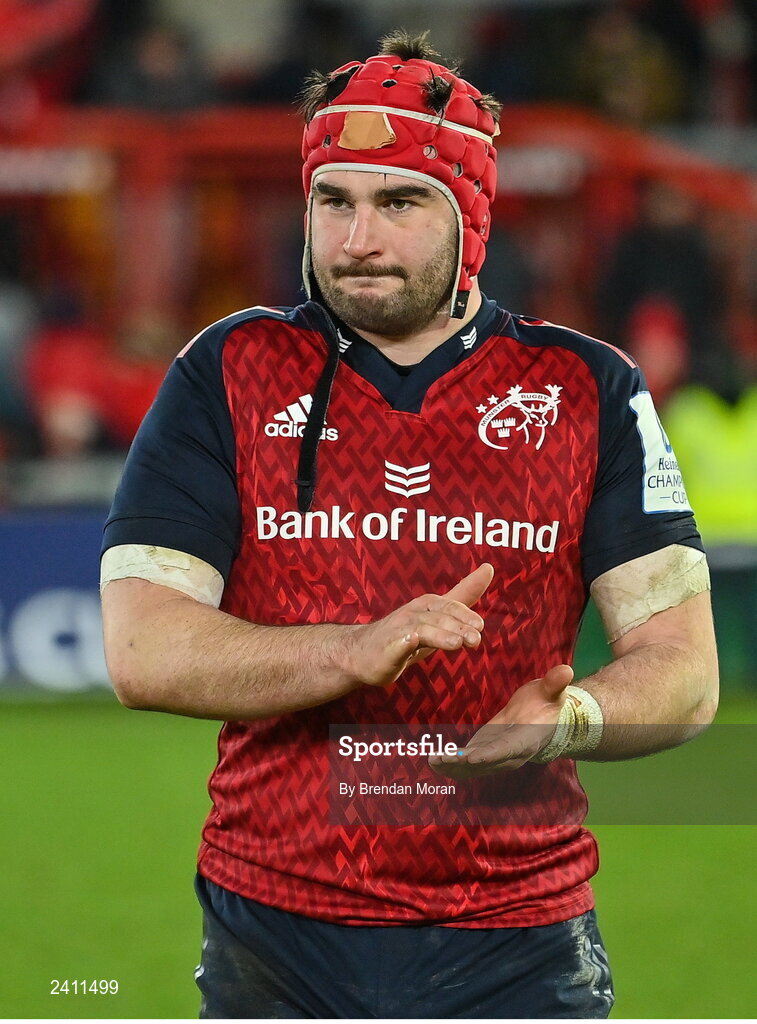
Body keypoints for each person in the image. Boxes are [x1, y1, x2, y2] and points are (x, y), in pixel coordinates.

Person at [100, 30, 718, 1019]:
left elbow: (684, 669)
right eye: (331, 201)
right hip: (274, 935)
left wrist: (574, 718)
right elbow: (143, 651)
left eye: (398, 201)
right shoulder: (225, 373)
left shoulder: (585, 387)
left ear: (471, 216)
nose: (356, 239)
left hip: (519, 939)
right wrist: (354, 649)